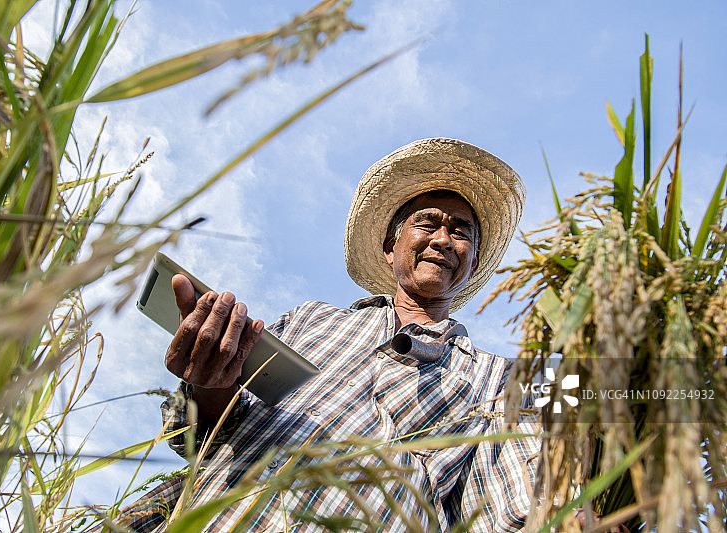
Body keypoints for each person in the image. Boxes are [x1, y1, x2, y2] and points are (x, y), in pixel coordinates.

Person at [120, 138, 539, 532]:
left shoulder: (495, 381)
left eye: (461, 232)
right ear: (391, 248)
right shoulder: (311, 321)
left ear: (472, 262)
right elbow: (195, 437)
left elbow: (515, 503)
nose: (445, 240)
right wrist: (210, 384)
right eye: (427, 223)